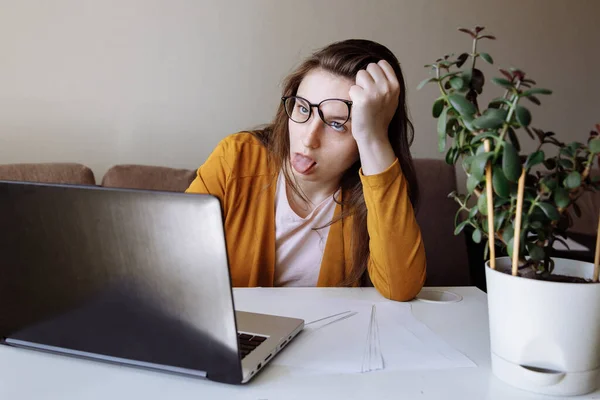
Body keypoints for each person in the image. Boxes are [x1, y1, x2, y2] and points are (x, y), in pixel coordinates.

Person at [186, 39, 426, 301]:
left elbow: (400, 288)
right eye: (303, 108)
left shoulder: (377, 191)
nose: (309, 139)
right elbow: (173, 254)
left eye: (336, 124)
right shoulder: (236, 158)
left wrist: (374, 140)